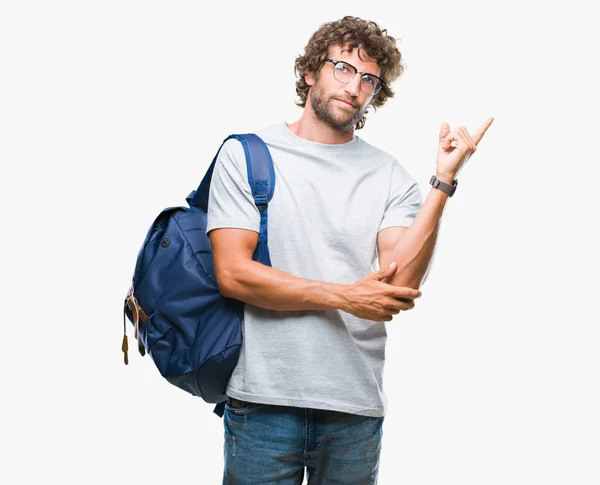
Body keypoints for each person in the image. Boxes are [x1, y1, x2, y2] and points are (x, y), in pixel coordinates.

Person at [206, 15, 493, 485]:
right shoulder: (247, 154)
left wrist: (443, 180)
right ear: (310, 72)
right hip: (263, 403)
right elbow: (234, 274)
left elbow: (399, 284)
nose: (355, 86)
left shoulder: (390, 177)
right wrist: (344, 296)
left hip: (353, 409)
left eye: (369, 79)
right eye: (342, 68)